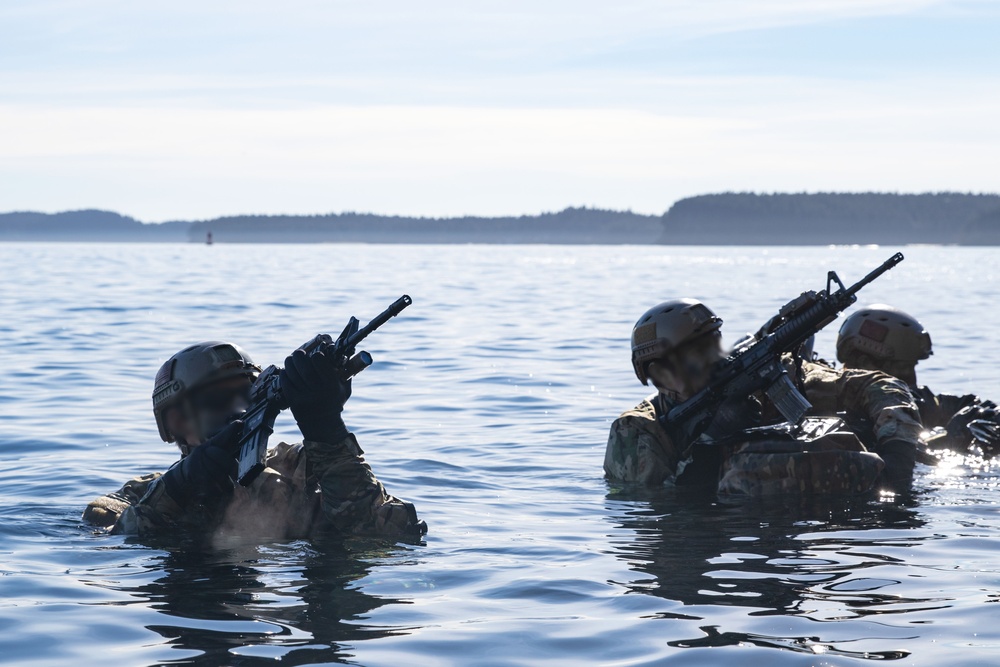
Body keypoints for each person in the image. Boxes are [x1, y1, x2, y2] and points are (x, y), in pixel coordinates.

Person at [84, 341, 426, 540]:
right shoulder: (140, 493)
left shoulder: (302, 467)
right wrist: (184, 486)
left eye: (246, 395)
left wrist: (325, 429)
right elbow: (104, 536)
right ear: (175, 420)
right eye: (218, 399)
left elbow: (391, 536)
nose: (237, 409)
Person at [605, 299, 925, 494]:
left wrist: (897, 464)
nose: (711, 357)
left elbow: (881, 388)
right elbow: (655, 507)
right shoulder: (637, 431)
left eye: (713, 344)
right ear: (655, 371)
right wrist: (710, 447)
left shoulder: (761, 376)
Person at [837, 304, 999, 452]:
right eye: (903, 368)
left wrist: (977, 417)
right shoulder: (842, 417)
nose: (912, 378)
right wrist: (949, 441)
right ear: (865, 364)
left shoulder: (913, 400)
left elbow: (965, 407)